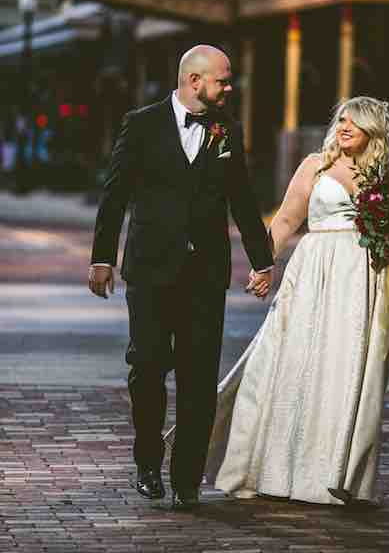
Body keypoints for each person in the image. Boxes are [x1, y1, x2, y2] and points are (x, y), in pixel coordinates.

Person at [88, 45, 273, 509]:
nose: (231, 89)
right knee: (147, 366)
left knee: (198, 378)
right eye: (224, 81)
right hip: (150, 272)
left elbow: (242, 197)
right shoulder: (141, 123)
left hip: (206, 275)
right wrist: (101, 258)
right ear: (195, 81)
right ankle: (148, 460)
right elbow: (115, 196)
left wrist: (262, 259)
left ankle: (187, 479)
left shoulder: (226, 129)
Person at [198, 96, 389, 507]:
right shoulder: (316, 165)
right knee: (293, 360)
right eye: (341, 119)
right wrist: (262, 266)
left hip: (366, 279)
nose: (344, 127)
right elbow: (288, 220)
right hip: (314, 272)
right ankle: (274, 469)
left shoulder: (387, 174)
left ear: (373, 133)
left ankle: (337, 475)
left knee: (349, 371)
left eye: (355, 123)